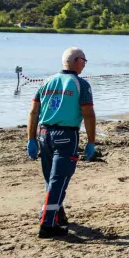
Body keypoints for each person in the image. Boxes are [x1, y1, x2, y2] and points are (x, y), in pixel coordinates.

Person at [27, 47, 97, 239]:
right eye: (84, 60)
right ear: (76, 61)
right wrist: (91, 141)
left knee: (51, 178)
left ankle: (57, 213)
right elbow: (88, 114)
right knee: (59, 180)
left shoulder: (46, 82)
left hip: (44, 133)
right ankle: (47, 223)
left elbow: (34, 112)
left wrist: (32, 138)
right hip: (66, 135)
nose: (84, 64)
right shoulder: (81, 84)